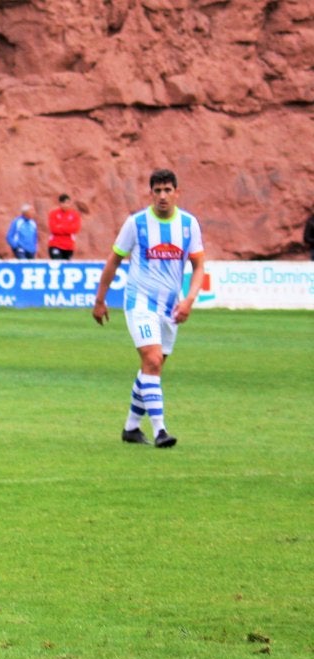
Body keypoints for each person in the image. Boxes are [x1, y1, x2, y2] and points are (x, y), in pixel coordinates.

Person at [92, 168, 206, 449]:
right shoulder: (137, 223)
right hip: (139, 302)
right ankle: (160, 431)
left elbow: (199, 266)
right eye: (158, 191)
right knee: (153, 361)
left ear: (177, 192)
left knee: (152, 368)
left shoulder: (189, 224)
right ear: (151, 193)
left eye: (168, 190)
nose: (163, 196)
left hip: (171, 307)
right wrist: (100, 299)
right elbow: (113, 260)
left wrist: (189, 299)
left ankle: (131, 427)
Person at [46, 193, 82, 259]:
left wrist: (61, 227)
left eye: (68, 203)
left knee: (66, 266)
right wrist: (67, 228)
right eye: (64, 203)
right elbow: (53, 229)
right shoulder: (53, 214)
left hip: (69, 246)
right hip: (55, 244)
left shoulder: (75, 215)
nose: (66, 205)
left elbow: (75, 229)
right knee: (57, 263)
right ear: (60, 204)